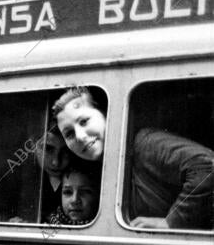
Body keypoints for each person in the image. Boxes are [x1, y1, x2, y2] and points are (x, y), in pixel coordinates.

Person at [53, 86, 213, 229]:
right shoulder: (108, 165)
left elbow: (207, 166)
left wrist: (171, 222)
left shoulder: (144, 144)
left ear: (106, 115)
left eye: (84, 121)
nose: (80, 136)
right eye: (69, 134)